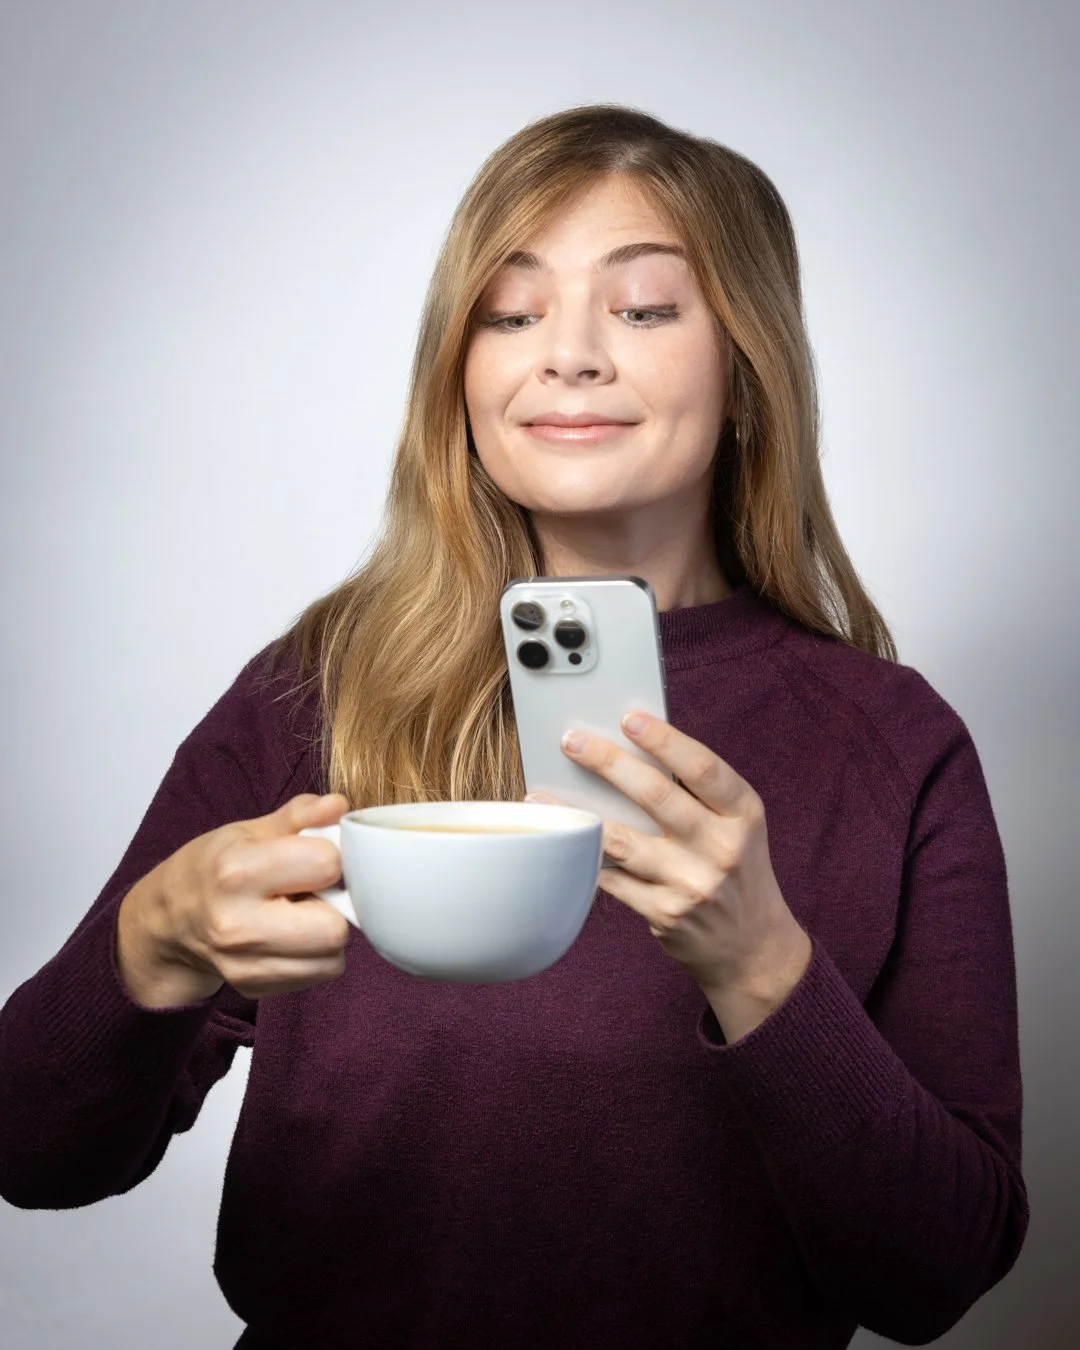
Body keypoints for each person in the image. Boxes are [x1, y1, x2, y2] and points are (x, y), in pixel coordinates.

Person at [0, 104, 1028, 1349]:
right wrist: (147, 948)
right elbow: (33, 1153)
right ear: (462, 372)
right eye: (510, 312)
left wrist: (762, 969)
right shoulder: (316, 689)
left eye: (645, 308)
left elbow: (935, 1280)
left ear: (748, 368)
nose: (571, 356)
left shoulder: (893, 743)